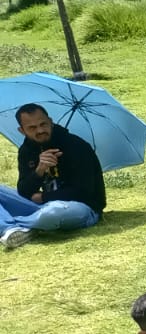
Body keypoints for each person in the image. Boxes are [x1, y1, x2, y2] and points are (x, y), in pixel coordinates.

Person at [2, 104, 106, 249]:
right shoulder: (26, 150)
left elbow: (84, 192)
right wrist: (39, 170)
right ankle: (13, 229)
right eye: (32, 128)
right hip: (42, 207)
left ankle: (13, 225)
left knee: (53, 212)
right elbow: (24, 190)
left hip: (81, 208)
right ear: (22, 131)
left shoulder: (76, 146)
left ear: (50, 121)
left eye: (43, 124)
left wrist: (43, 197)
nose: (40, 130)